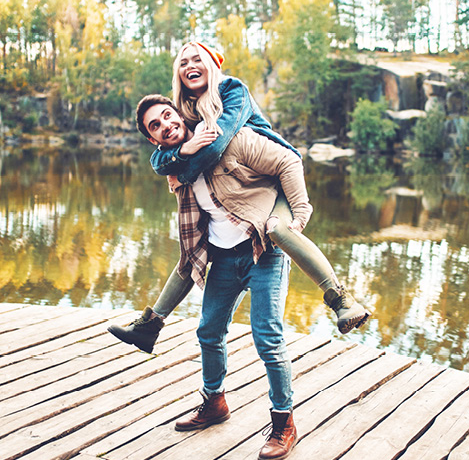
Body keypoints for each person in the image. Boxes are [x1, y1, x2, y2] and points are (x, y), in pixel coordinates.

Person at [108, 42, 370, 354]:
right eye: (183, 62)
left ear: (210, 63)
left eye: (197, 59)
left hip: (273, 183)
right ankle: (150, 326)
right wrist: (180, 151)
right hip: (243, 195)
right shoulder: (189, 113)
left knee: (279, 229)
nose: (191, 65)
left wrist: (300, 210)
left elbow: (217, 147)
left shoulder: (231, 90)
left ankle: (341, 299)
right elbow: (159, 160)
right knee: (192, 254)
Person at [136, 94, 300, 460]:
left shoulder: (222, 137)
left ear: (180, 113)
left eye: (168, 115)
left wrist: (293, 218)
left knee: (268, 337)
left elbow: (287, 161)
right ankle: (215, 403)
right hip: (224, 259)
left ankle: (283, 423)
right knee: (208, 331)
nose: (166, 125)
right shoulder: (175, 167)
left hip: (263, 251)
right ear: (153, 139)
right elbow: (168, 173)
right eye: (156, 126)